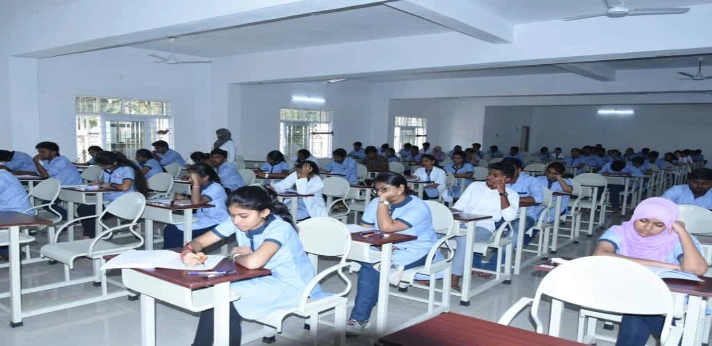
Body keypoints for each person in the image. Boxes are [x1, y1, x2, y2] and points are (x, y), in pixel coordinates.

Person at [180, 186, 316, 345]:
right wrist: (187, 252)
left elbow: (253, 263)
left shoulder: (280, 228)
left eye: (243, 216)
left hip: (292, 285)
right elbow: (199, 242)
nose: (236, 221)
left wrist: (236, 255)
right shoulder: (239, 221)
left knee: (224, 299)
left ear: (264, 212)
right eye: (232, 215)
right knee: (216, 294)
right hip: (260, 278)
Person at [592, 197, 707, 346]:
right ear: (636, 215)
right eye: (643, 220)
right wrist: (663, 265)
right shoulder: (620, 232)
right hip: (619, 289)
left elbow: (696, 269)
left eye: (659, 225)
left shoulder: (674, 238)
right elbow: (600, 255)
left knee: (641, 307)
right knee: (645, 305)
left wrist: (683, 232)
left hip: (661, 295)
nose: (647, 228)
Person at [346, 172, 438, 333]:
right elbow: (365, 228)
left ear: (400, 188)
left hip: (414, 250)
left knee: (371, 267)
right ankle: (389, 269)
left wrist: (382, 202)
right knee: (354, 256)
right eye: (377, 190)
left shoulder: (418, 207)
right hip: (383, 245)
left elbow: (387, 228)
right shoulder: (376, 201)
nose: (379, 193)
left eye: (384, 189)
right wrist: (375, 242)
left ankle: (359, 318)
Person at [450, 162, 519, 289]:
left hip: (483, 227)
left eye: (495, 175)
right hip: (461, 222)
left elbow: (509, 217)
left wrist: (502, 193)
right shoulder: (475, 186)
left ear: (506, 179)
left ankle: (455, 277)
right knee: (430, 232)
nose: (489, 177)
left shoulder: (512, 194)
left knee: (464, 238)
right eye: (489, 174)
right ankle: (428, 272)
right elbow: (458, 207)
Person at [475, 157, 543, 273]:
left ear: (519, 170)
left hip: (524, 215)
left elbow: (537, 199)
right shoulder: (495, 180)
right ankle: (475, 264)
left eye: (510, 169)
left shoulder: (531, 181)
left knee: (513, 234)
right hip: (499, 213)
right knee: (479, 228)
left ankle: (492, 267)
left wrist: (510, 199)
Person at [76, 151, 150, 238]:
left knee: (89, 210)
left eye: (103, 165)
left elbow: (125, 187)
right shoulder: (108, 170)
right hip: (109, 200)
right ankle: (88, 234)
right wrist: (99, 184)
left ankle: (90, 236)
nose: (101, 167)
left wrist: (110, 184)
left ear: (114, 163)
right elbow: (111, 183)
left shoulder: (126, 169)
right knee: (82, 208)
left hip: (123, 202)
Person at [162, 163, 229, 249]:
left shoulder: (216, 187)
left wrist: (195, 183)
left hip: (216, 220)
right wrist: (183, 199)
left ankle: (176, 254)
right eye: (190, 176)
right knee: (171, 226)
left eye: (193, 177)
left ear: (206, 177)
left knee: (175, 230)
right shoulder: (201, 186)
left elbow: (196, 203)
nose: (190, 180)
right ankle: (170, 253)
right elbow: (197, 201)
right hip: (201, 217)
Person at [33, 141, 83, 220]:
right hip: (60, 187)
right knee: (36, 190)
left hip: (71, 188)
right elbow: (40, 173)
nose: (40, 154)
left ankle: (70, 219)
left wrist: (36, 161)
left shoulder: (61, 160)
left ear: (53, 152)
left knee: (47, 204)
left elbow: (45, 175)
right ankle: (68, 218)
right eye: (39, 152)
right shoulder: (47, 162)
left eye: (43, 152)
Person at [0, 170, 35, 260]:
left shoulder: (3, 176)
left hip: (18, 212)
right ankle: (6, 250)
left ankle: (8, 251)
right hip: (6, 210)